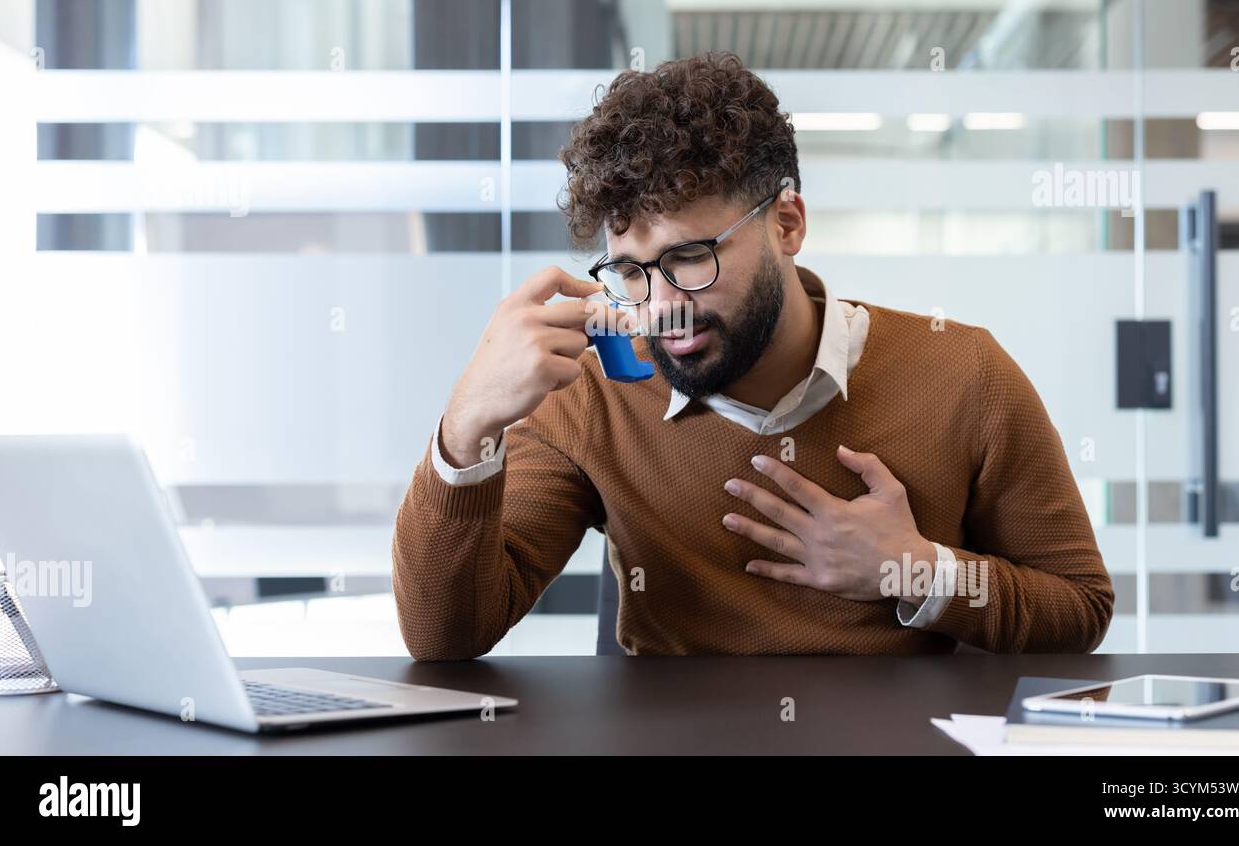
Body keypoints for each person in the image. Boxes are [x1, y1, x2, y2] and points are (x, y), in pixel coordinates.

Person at [392, 51, 1113, 659]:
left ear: (788, 223)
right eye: (632, 272)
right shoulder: (596, 391)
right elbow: (444, 635)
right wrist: (466, 424)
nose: (660, 306)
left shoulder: (964, 374)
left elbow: (1080, 607)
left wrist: (915, 570)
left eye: (691, 257)